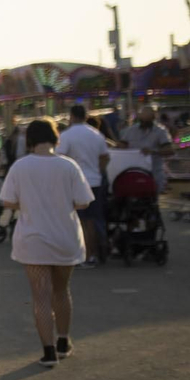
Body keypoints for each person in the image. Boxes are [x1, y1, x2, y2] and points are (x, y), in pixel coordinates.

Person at [0, 120, 93, 367]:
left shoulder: (20, 167)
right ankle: (63, 340)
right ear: (55, 138)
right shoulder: (68, 166)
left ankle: (48, 352)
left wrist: (28, 203)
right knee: (61, 291)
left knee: (40, 296)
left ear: (29, 139)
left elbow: (7, 201)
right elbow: (83, 202)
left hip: (33, 240)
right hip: (65, 237)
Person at [56, 104, 110, 266]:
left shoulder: (67, 135)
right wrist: (98, 171)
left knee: (77, 220)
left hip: (75, 183)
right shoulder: (97, 134)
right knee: (92, 220)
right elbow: (105, 157)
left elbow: (60, 158)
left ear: (71, 116)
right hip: (94, 181)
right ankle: (92, 254)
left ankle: (82, 253)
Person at [119, 105, 174, 193]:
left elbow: (170, 150)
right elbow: (120, 146)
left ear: (153, 118)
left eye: (147, 121)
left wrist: (153, 151)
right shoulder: (130, 131)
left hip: (154, 172)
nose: (144, 123)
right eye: (142, 120)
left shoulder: (160, 132)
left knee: (152, 198)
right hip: (133, 172)